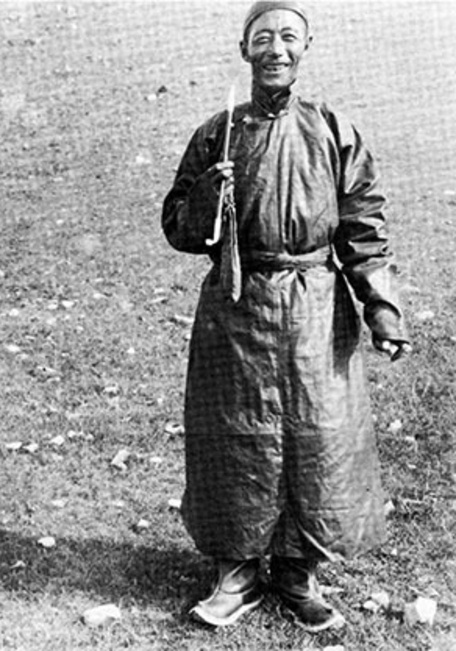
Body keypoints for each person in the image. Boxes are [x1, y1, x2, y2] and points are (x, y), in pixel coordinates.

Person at [161, 1, 411, 633]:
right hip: (236, 307)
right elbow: (179, 226)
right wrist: (209, 197)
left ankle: (300, 573)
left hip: (315, 308)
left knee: (316, 436)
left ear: (306, 47)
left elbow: (364, 229)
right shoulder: (217, 133)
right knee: (234, 437)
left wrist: (382, 309)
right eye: (263, 37)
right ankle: (237, 574)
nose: (276, 48)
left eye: (289, 37)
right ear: (244, 49)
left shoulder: (332, 130)